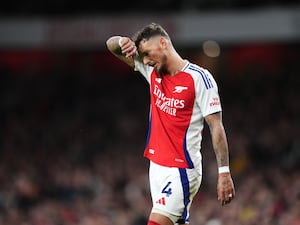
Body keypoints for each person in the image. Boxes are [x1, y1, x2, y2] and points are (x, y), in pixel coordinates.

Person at [106, 22, 235, 225]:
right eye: (143, 56)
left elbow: (216, 125)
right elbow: (111, 45)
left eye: (148, 53)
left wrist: (224, 172)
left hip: (181, 169)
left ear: (163, 43)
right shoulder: (152, 72)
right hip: (156, 167)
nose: (145, 60)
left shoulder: (199, 78)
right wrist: (122, 42)